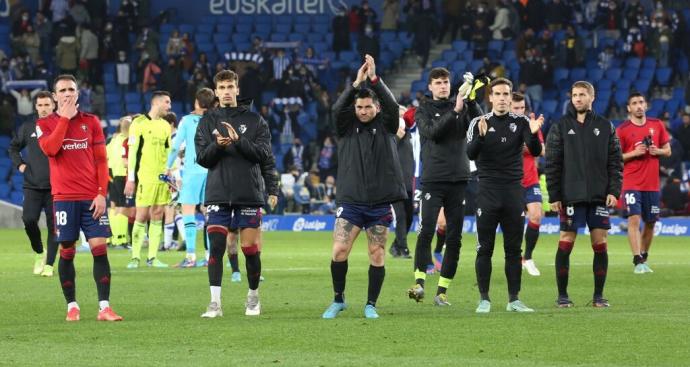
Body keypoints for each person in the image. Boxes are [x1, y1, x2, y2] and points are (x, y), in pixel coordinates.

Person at [321, 55, 406, 320]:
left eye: (368, 107)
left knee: (377, 253)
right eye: (359, 107)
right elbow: (337, 110)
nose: (363, 111)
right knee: (339, 251)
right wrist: (355, 84)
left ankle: (371, 304)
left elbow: (392, 105)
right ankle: (338, 299)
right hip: (351, 202)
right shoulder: (346, 128)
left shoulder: (388, 126)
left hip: (380, 203)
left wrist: (375, 80)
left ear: (376, 108)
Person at [36, 74, 123, 321]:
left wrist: (101, 194)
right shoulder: (44, 124)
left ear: (78, 93)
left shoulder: (91, 122)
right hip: (64, 197)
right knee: (67, 249)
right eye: (62, 90)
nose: (67, 94)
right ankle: (72, 305)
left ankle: (104, 307)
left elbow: (101, 160)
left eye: (71, 89)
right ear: (54, 96)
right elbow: (51, 149)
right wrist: (63, 119)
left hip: (91, 198)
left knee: (99, 248)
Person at [195, 69, 276, 317]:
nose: (227, 91)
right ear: (216, 92)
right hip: (218, 193)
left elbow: (264, 156)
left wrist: (238, 140)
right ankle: (215, 303)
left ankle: (252, 297)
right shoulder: (207, 121)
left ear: (237, 90)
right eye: (222, 88)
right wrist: (217, 147)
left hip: (248, 193)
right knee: (217, 247)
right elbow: (202, 159)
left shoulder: (255, 120)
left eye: (231, 87)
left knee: (250, 248)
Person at [467, 77, 543, 313]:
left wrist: (532, 133)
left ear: (511, 97)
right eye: (497, 94)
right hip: (488, 192)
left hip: (513, 191)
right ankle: (484, 299)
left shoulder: (521, 122)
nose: (501, 98)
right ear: (490, 97)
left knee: (513, 250)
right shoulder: (478, 122)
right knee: (484, 249)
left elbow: (537, 151)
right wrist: (480, 136)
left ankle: (514, 300)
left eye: (505, 94)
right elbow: (470, 154)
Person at [407, 68, 482, 306]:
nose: (443, 86)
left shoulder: (459, 104)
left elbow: (481, 125)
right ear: (430, 86)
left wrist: (471, 100)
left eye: (446, 82)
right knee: (426, 230)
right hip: (432, 179)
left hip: (459, 180)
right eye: (438, 83)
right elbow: (432, 132)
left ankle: (442, 292)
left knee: (455, 237)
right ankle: (419, 283)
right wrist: (455, 111)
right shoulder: (424, 110)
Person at [545, 81, 623, 308]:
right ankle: (562, 296)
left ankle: (598, 297)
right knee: (566, 241)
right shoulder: (559, 126)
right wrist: (555, 195)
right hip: (570, 196)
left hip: (598, 196)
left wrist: (614, 190)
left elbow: (615, 162)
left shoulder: (606, 126)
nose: (577, 99)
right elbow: (552, 164)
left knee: (600, 243)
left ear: (592, 97)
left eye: (582, 95)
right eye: (574, 95)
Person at [616, 93, 671, 273]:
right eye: (634, 103)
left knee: (651, 222)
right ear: (629, 108)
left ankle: (644, 257)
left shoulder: (657, 125)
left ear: (646, 105)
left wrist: (658, 151)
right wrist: (634, 153)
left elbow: (668, 151)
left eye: (641, 102)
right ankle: (637, 259)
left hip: (652, 184)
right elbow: (615, 158)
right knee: (634, 219)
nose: (638, 106)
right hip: (631, 183)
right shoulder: (622, 130)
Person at [8, 90, 57, 276]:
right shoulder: (28, 126)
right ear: (35, 107)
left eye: (47, 105)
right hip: (32, 185)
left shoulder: (61, 125)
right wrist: (20, 165)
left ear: (53, 105)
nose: (44, 109)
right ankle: (39, 253)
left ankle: (50, 265)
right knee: (28, 220)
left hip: (56, 187)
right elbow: (13, 148)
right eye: (40, 105)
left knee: (55, 227)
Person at [166, 88, 215, 267]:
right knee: (210, 214)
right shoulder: (215, 119)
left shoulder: (186, 121)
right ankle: (211, 257)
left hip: (193, 172)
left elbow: (175, 147)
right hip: (211, 172)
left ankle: (191, 257)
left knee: (188, 212)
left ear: (196, 102)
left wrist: (166, 167)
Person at [124, 91, 173, 269]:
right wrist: (131, 179)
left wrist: (171, 174)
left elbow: (169, 152)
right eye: (167, 102)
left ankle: (152, 257)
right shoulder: (139, 123)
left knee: (158, 213)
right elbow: (132, 154)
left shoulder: (165, 126)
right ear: (157, 103)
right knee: (142, 215)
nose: (169, 106)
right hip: (145, 177)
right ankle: (135, 257)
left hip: (162, 178)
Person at [511, 92, 545, 276]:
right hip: (512, 183)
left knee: (536, 216)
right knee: (515, 224)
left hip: (531, 180)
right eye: (515, 108)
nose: (519, 111)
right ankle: (516, 258)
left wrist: (526, 144)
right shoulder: (503, 125)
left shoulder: (531, 125)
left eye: (521, 107)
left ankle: (528, 257)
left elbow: (541, 150)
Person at [389, 106, 414, 259]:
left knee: (410, 216)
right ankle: (403, 248)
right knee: (401, 216)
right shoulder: (390, 135)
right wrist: (396, 137)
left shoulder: (409, 135)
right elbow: (385, 152)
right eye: (399, 113)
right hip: (394, 183)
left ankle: (396, 245)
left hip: (408, 183)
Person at [106, 116, 132, 250]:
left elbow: (106, 157)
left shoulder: (113, 141)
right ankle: (121, 239)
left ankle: (113, 238)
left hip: (113, 175)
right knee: (123, 207)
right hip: (124, 176)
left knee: (113, 207)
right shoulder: (127, 141)